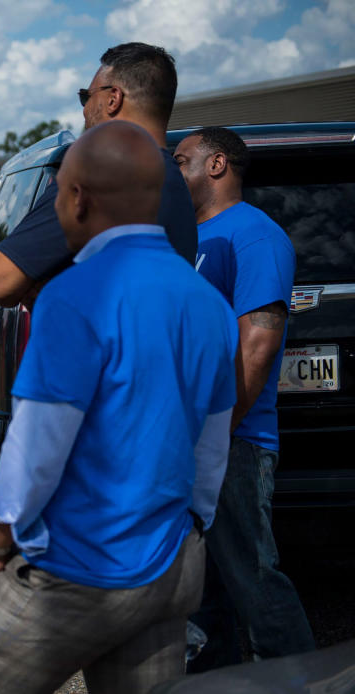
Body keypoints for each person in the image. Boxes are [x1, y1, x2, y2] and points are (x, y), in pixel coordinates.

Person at [0, 121, 239, 694]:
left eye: (59, 192)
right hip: (172, 564)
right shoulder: (209, 304)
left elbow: (38, 445)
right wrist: (191, 529)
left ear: (79, 198)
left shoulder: (74, 294)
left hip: (82, 567)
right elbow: (212, 442)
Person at [174, 127, 315, 670]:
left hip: (232, 440)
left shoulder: (254, 235)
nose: (173, 170)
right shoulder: (188, 236)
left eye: (182, 160)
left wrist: (219, 430)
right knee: (198, 586)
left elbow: (258, 339)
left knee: (252, 578)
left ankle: (303, 679)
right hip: (190, 438)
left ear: (216, 166)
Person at [0, 42, 197, 308]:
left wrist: (44, 285)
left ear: (113, 98)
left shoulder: (99, 176)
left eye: (86, 97)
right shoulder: (178, 184)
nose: (84, 110)